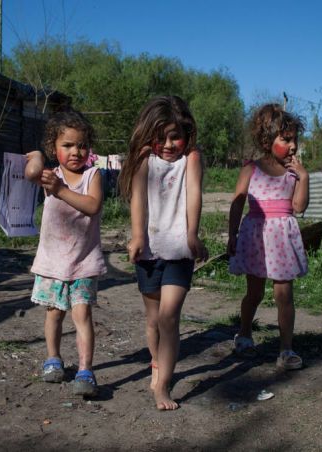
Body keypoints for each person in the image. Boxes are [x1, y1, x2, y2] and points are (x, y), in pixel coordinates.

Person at [119, 95, 208, 410]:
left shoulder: (191, 160)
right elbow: (138, 199)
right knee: (154, 319)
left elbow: (194, 194)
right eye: (161, 137)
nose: (169, 144)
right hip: (149, 250)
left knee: (170, 317)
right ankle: (157, 363)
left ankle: (163, 387)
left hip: (179, 250)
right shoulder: (145, 159)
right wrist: (137, 236)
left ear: (186, 135)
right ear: (150, 137)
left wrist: (193, 234)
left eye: (175, 136)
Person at [24, 109, 107, 397]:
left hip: (83, 262)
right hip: (52, 262)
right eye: (67, 145)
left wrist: (60, 190)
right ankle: (53, 359)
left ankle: (85, 370)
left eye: (82, 145)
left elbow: (93, 206)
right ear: (54, 148)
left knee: (82, 315)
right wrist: (36, 154)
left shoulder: (92, 175)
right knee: (54, 314)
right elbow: (31, 172)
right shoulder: (50, 176)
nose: (76, 151)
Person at [227, 104, 309, 370]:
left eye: (295, 139)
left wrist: (304, 178)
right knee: (254, 293)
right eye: (286, 139)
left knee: (284, 295)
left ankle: (286, 350)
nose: (293, 145)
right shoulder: (251, 169)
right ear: (267, 140)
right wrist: (232, 236)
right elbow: (237, 204)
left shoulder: (294, 172)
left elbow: (298, 207)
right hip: (256, 239)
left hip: (282, 240)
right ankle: (245, 334)